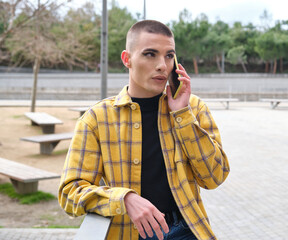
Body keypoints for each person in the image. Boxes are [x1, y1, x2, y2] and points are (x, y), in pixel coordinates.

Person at [58, 20, 230, 240]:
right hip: (127, 232)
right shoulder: (97, 119)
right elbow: (69, 193)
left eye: (169, 56)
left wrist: (182, 116)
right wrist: (124, 198)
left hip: (186, 230)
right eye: (150, 54)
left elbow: (214, 177)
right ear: (127, 59)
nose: (162, 65)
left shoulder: (193, 108)